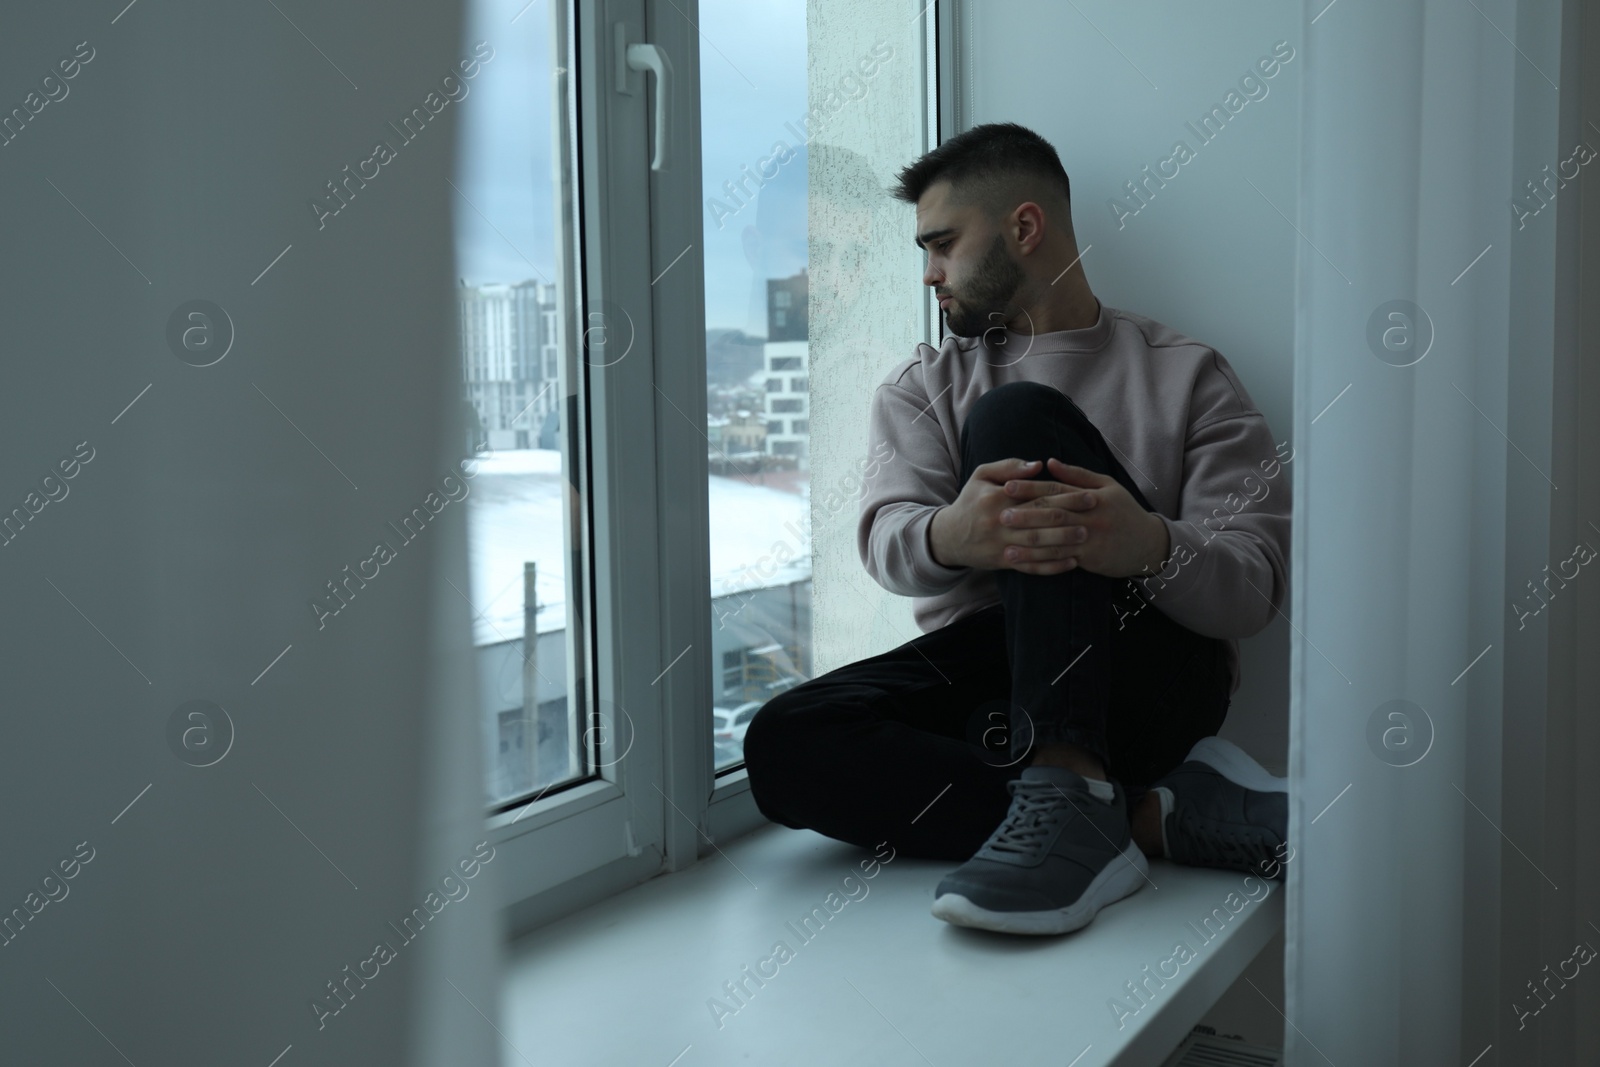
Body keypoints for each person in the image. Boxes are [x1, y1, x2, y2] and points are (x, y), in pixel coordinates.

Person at [742, 122, 1293, 937]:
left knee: (1017, 417)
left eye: (941, 244)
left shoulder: (1186, 374)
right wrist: (955, 535)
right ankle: (1139, 813)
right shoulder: (922, 386)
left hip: (1147, 664)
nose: (928, 273)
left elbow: (1252, 587)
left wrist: (1144, 543)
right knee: (785, 743)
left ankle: (1072, 782)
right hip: (993, 679)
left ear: (1024, 229)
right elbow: (888, 533)